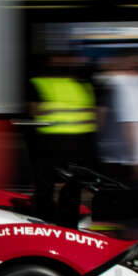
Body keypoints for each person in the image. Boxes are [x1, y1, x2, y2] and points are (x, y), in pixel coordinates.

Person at [28, 55, 97, 221]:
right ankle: (69, 223)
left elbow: (34, 111)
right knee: (73, 187)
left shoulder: (38, 84)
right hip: (79, 145)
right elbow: (96, 117)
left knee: (45, 187)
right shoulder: (84, 85)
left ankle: (43, 221)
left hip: (49, 144)